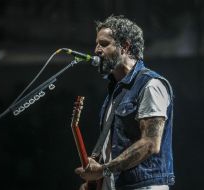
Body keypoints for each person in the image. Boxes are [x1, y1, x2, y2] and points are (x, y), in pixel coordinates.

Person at [75, 15, 175, 190]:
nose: (96, 50)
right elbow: (112, 148)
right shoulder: (115, 93)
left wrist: (103, 171)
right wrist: (97, 182)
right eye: (97, 44)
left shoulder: (151, 85)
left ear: (125, 46)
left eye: (104, 44)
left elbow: (150, 144)